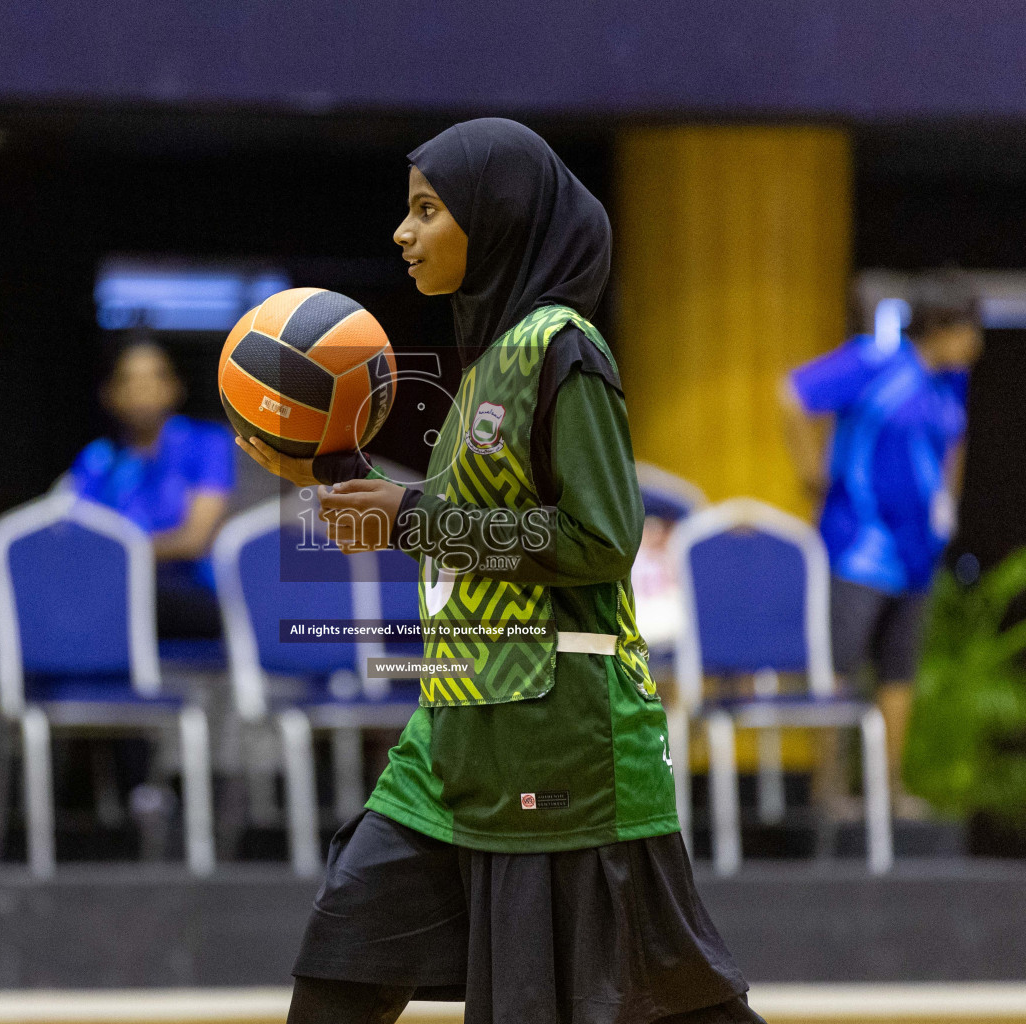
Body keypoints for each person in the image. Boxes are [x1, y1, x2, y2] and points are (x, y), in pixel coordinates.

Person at [240, 119, 759, 1024]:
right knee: (341, 961)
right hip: (453, 737)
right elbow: (460, 534)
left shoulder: (566, 350)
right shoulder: (487, 365)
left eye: (429, 210)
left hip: (562, 736)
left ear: (502, 218)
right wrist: (342, 480)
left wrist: (415, 518)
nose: (404, 234)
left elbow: (602, 538)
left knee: (676, 1005)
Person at [779, 276, 982, 814]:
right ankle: (828, 792)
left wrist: (947, 503)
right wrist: (810, 474)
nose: (975, 346)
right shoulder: (875, 362)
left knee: (899, 671)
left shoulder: (950, 385)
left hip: (918, 553)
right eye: (969, 331)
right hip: (861, 549)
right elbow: (793, 395)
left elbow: (955, 442)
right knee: (839, 669)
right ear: (939, 326)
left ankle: (889, 790)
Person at [69, 329, 235, 637]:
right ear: (110, 394)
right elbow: (81, 542)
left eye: (155, 377)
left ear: (174, 387)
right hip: (114, 593)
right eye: (129, 380)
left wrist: (123, 551)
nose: (143, 389)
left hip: (191, 593)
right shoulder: (97, 459)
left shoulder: (208, 443)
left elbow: (194, 539)